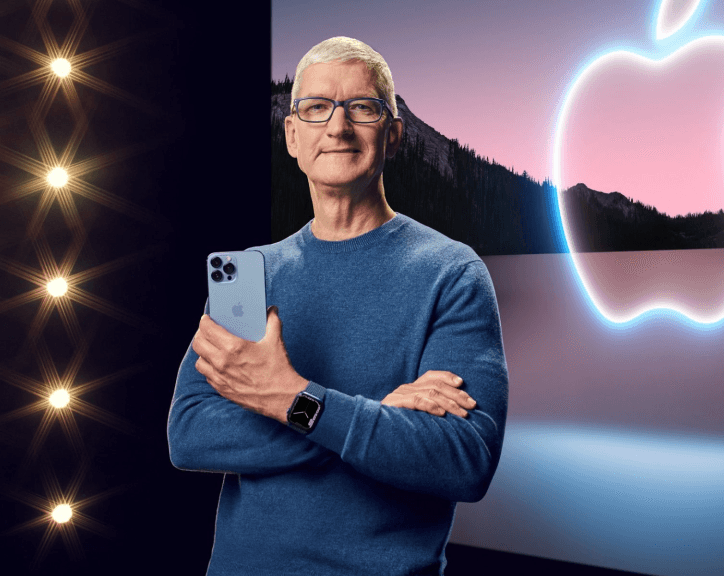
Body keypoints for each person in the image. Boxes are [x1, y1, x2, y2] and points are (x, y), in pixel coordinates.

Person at [167, 36, 509, 576]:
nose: (338, 127)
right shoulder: (250, 276)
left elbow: (464, 461)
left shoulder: (452, 273)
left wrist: (286, 398)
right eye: (316, 107)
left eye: (363, 108)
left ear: (394, 136)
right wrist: (379, 412)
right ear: (292, 135)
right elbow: (190, 433)